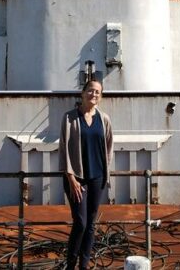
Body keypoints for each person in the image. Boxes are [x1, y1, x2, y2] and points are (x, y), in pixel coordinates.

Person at [59, 79, 113, 270]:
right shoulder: (69, 118)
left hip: (97, 177)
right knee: (80, 222)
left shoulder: (104, 119)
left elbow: (108, 148)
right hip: (77, 178)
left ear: (101, 96)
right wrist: (71, 178)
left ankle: (84, 264)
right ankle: (71, 264)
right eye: (90, 91)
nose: (94, 95)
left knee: (91, 224)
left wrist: (106, 174)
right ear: (82, 93)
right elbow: (64, 149)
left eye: (98, 92)